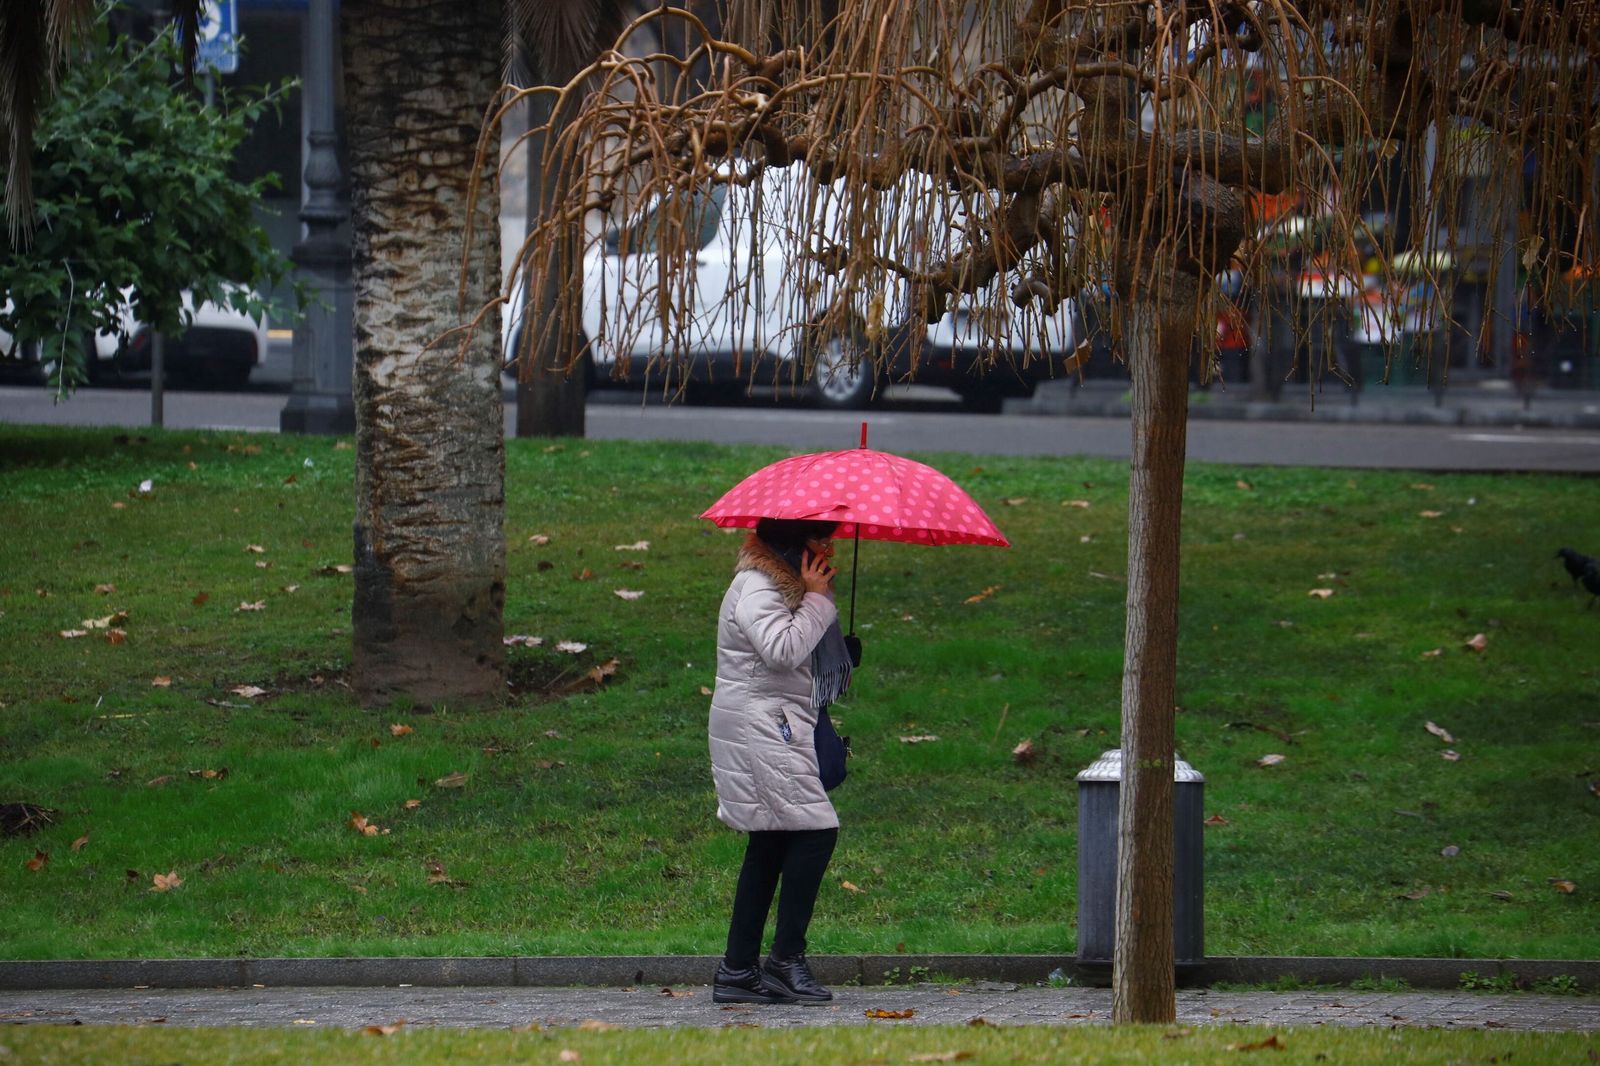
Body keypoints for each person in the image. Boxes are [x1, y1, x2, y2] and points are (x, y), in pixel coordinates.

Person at [707, 517, 853, 1005]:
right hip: (761, 727)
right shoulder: (758, 586)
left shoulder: (783, 586)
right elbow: (783, 650)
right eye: (820, 540)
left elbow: (797, 653)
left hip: (776, 722)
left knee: (769, 844)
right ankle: (785, 960)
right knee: (816, 830)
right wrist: (816, 600)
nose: (828, 548)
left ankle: (737, 971)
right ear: (795, 543)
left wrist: (838, 647)